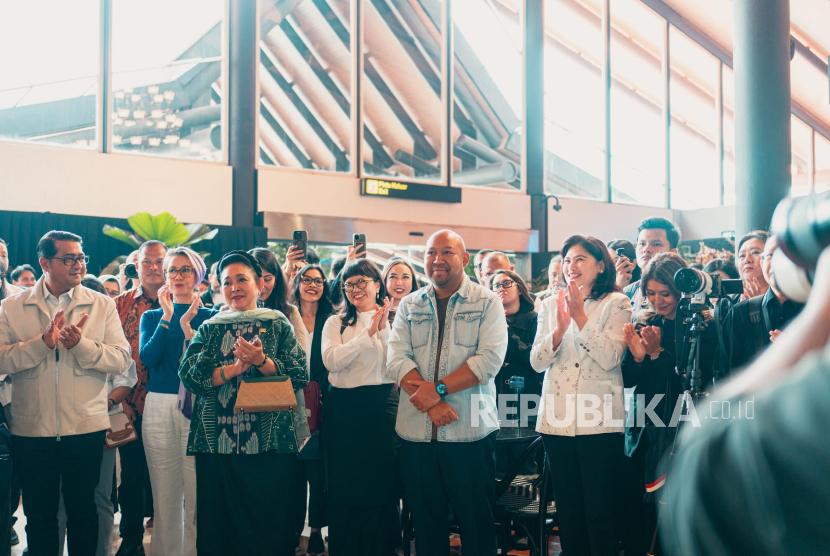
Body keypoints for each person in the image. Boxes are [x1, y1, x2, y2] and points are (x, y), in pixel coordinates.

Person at [659, 247, 830, 555]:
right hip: (754, 421)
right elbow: (724, 369)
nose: (774, 261)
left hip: (794, 427)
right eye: (768, 254)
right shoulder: (741, 311)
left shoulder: (814, 311)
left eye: (786, 251)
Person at [0, 230, 132, 555]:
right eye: (68, 258)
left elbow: (121, 357)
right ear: (45, 262)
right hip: (32, 429)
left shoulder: (101, 304)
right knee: (39, 515)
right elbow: (2, 359)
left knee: (83, 513)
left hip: (85, 428)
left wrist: (81, 346)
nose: (78, 264)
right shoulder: (12, 307)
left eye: (81, 257)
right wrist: (42, 345)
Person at [179, 251, 308, 556]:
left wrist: (262, 361)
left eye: (241, 279)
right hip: (217, 444)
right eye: (227, 282)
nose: (234, 287)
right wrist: (232, 371)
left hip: (270, 443)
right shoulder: (210, 327)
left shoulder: (277, 324)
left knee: (269, 525)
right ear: (218, 287)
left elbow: (300, 373)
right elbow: (189, 375)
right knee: (219, 527)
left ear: (260, 284)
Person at [388, 230, 508, 556]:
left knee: (476, 524)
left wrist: (437, 391)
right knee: (426, 526)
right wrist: (432, 405)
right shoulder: (410, 304)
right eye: (430, 253)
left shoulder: (487, 302)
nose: (437, 260)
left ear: (465, 259)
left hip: (470, 434)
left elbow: (488, 361)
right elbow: (396, 358)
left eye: (446, 252)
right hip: (416, 436)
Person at [531, 234, 632, 556]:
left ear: (601, 266)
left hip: (599, 420)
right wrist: (559, 329)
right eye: (568, 259)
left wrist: (579, 317)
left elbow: (610, 358)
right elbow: (536, 362)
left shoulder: (617, 303)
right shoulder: (549, 303)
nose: (571, 266)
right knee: (568, 509)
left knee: (599, 509)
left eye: (580, 259)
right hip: (557, 421)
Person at [620, 253, 716, 555]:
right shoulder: (646, 322)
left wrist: (658, 353)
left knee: (671, 506)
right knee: (637, 504)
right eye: (650, 293)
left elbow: (692, 384)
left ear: (680, 290)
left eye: (665, 293)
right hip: (643, 424)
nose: (658, 301)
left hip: (680, 426)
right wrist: (636, 356)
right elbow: (628, 380)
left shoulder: (701, 326)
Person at [139, 247, 215, 556]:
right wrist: (168, 318)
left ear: (198, 275)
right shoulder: (153, 315)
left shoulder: (212, 316)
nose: (178, 276)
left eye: (185, 270)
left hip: (199, 404)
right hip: (157, 403)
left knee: (197, 493)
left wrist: (188, 330)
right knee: (164, 494)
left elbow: (207, 366)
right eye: (172, 270)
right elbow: (149, 358)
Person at [321, 259, 399, 555]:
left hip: (381, 409)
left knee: (382, 485)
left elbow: (396, 363)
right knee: (345, 486)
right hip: (344, 411)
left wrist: (383, 329)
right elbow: (332, 362)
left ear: (377, 285)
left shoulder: (394, 320)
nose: (356, 289)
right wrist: (368, 335)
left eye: (362, 282)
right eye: (349, 284)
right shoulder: (336, 322)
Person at [56, 276, 137, 556]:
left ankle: (102, 551)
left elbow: (126, 378)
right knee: (60, 500)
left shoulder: (112, 338)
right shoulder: (59, 333)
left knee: (101, 496)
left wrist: (106, 404)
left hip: (102, 423)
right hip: (62, 425)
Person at [114, 240, 167, 556]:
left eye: (159, 261)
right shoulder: (117, 305)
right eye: (147, 261)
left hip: (168, 403)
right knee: (130, 479)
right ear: (137, 265)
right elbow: (109, 356)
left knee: (166, 477)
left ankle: (167, 537)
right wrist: (120, 402)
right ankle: (131, 540)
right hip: (129, 405)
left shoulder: (182, 303)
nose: (153, 267)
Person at [290, 265, 334, 556]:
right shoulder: (286, 315)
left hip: (322, 402)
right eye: (306, 279)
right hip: (290, 400)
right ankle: (293, 530)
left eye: (318, 281)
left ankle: (317, 530)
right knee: (293, 472)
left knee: (317, 472)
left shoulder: (332, 319)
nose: (312, 285)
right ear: (297, 283)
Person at [719, 235, 804, 376]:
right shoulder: (739, 313)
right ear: (763, 263)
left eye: (783, 254)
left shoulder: (815, 312)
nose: (777, 261)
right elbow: (724, 375)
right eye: (770, 254)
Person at [490, 269, 541, 421]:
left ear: (519, 288)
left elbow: (535, 359)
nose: (501, 289)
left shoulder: (535, 319)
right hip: (495, 397)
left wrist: (507, 331)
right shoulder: (488, 322)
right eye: (496, 286)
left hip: (528, 395)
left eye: (506, 283)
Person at [248, 248, 307, 348]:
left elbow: (301, 357)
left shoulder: (290, 312)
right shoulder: (231, 312)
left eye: (267, 279)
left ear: (276, 280)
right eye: (255, 279)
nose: (261, 286)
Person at [624, 217, 681, 320]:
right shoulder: (628, 292)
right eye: (642, 244)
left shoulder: (681, 293)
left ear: (672, 253)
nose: (646, 249)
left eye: (656, 244)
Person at [382, 257, 421, 324]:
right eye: (393, 277)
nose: (399, 283)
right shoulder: (376, 311)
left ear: (412, 281)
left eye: (405, 277)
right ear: (385, 280)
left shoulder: (422, 311)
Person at [736, 230, 769, 300]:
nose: (747, 260)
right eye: (742, 256)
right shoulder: (726, 303)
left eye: (755, 252)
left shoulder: (784, 298)